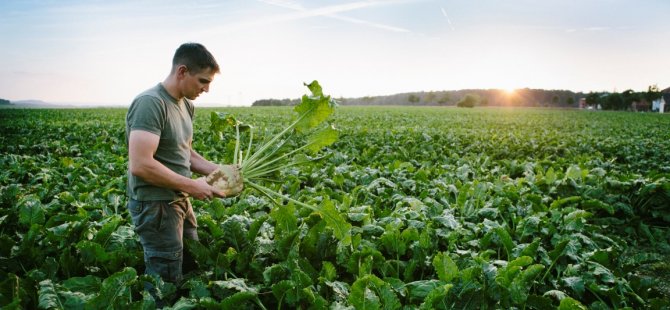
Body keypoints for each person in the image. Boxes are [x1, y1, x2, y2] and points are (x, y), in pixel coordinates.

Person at [124, 42, 240, 304]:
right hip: (155, 205)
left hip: (179, 200)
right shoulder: (150, 104)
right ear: (182, 71)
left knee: (190, 262)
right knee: (164, 280)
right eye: (202, 81)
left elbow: (185, 152)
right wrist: (192, 185)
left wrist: (222, 172)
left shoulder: (185, 105)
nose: (206, 89)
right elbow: (140, 165)